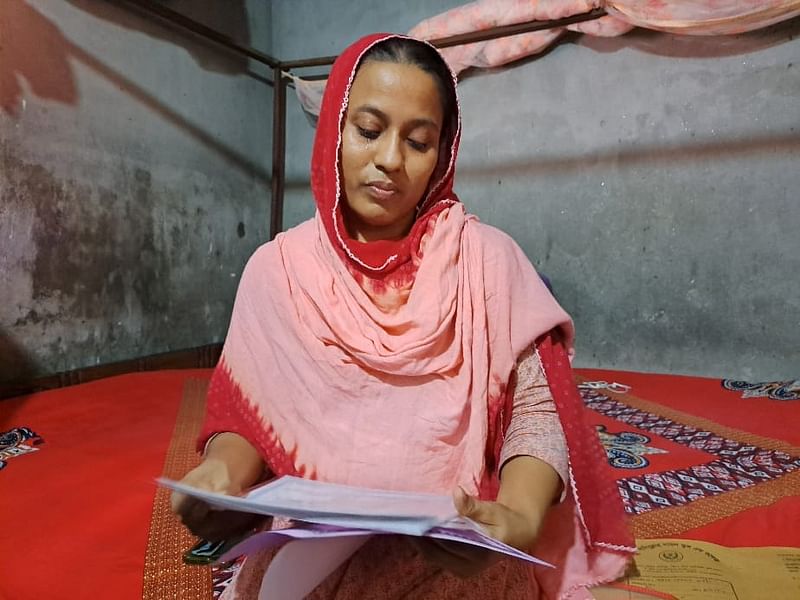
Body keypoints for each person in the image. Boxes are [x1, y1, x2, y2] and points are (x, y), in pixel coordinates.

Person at [172, 33, 634, 599]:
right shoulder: (279, 270)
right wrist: (223, 475)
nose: (390, 160)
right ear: (334, 133)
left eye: (418, 141)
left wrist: (515, 515)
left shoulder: (487, 262)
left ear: (443, 153)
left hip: (455, 554)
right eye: (368, 131)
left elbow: (535, 414)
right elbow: (249, 415)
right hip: (309, 561)